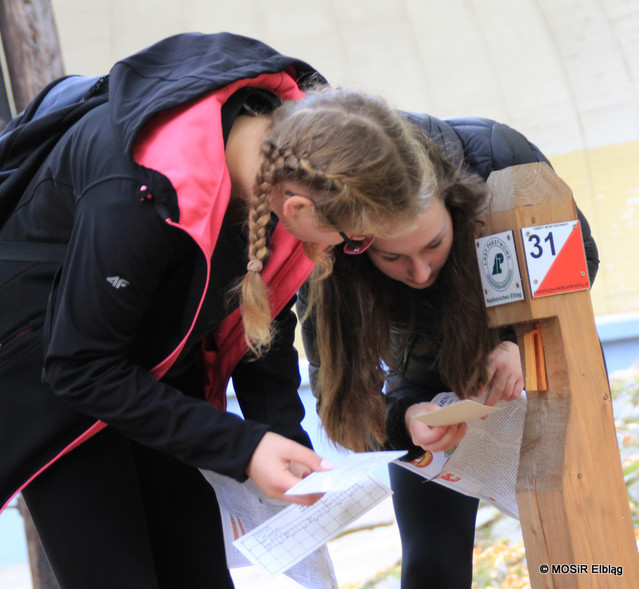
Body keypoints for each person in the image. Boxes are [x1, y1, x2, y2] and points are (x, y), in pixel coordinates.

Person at [0, 32, 433, 589]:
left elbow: (261, 314)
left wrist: (282, 439)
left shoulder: (284, 162)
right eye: (350, 240)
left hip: (154, 366)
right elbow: (78, 367)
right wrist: (243, 446)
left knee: (199, 570)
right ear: (298, 207)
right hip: (50, 381)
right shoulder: (137, 194)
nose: (340, 253)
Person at [299, 113, 599, 588]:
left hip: (538, 352)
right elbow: (338, 396)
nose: (419, 272)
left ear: (456, 205)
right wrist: (405, 421)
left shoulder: (497, 157)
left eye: (434, 244)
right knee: (431, 563)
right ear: (357, 245)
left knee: (581, 540)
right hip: (423, 380)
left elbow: (579, 254)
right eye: (392, 257)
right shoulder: (325, 247)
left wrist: (523, 342)